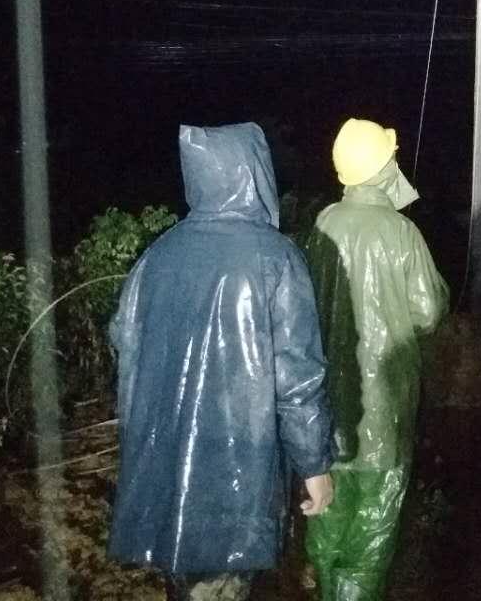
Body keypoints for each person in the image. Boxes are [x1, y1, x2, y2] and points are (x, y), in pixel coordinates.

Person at [108, 123, 334, 601]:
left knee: (185, 584)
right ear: (255, 173)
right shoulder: (276, 258)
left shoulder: (156, 256)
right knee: (223, 583)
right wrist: (314, 464)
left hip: (164, 466)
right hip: (238, 469)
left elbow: (125, 351)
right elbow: (297, 375)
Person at [304, 117, 449, 601]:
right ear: (383, 166)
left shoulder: (323, 223)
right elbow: (429, 310)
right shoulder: (401, 231)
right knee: (373, 528)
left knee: (327, 517)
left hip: (327, 412)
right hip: (384, 411)